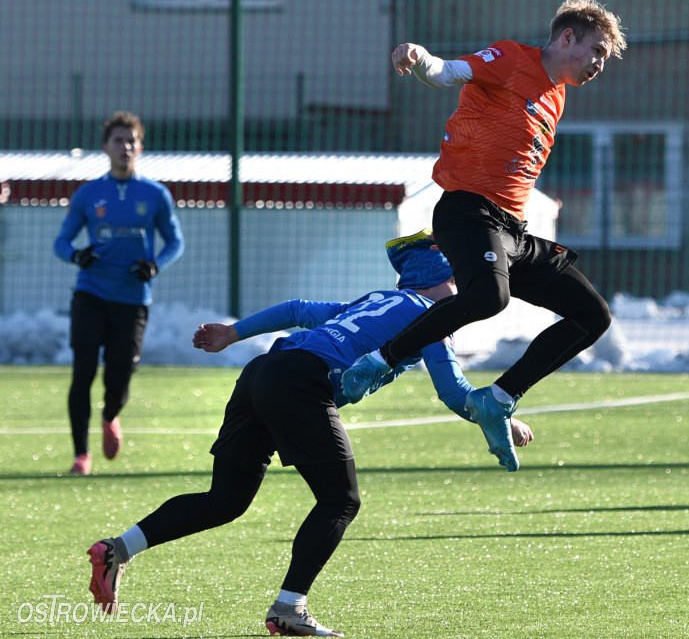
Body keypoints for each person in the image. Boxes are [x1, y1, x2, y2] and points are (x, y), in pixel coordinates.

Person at [86, 231, 533, 637]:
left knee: (224, 499)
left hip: (261, 371)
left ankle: (118, 549)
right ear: (448, 278)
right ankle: (288, 608)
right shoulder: (432, 317)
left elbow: (298, 310)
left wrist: (232, 332)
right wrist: (500, 417)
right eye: (461, 280)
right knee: (341, 500)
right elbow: (455, 393)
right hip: (301, 382)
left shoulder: (376, 299)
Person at [342, 0, 627, 472]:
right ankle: (379, 361)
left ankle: (497, 399)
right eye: (596, 50)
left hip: (511, 230)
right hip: (466, 211)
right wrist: (418, 57)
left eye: (605, 57)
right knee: (489, 297)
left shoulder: (556, 95)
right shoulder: (513, 58)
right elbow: (446, 72)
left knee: (592, 315)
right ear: (567, 36)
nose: (600, 63)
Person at [54, 111, 184, 475]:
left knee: (120, 375)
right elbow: (61, 242)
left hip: (132, 297)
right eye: (118, 140)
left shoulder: (156, 195)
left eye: (131, 141)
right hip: (90, 293)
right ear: (105, 147)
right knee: (82, 371)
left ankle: (111, 415)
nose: (124, 147)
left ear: (139, 148)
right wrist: (76, 255)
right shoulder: (88, 194)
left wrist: (155, 264)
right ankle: (81, 454)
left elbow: (175, 241)